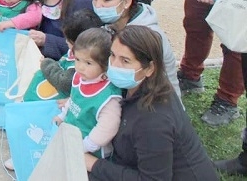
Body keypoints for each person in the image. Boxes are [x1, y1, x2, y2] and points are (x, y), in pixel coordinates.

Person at [87, 25, 218, 180]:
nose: (114, 65)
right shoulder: (138, 86)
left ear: (149, 68)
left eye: (125, 61)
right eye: (112, 55)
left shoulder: (154, 120)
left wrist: (93, 164)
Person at [91, 0, 181, 97]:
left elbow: (162, 84)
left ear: (127, 2)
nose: (98, 5)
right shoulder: (109, 25)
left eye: (106, 0)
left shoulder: (149, 35)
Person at [55, 28, 122, 158]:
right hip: (71, 136)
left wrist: (84, 146)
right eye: (77, 59)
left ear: (105, 65)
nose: (80, 66)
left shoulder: (108, 97)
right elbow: (74, 100)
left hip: (90, 150)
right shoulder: (80, 77)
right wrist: (62, 116)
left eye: (88, 63)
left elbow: (107, 128)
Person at [30, 9, 104, 100]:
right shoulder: (76, 52)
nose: (65, 42)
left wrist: (46, 64)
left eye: (68, 41)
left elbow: (63, 82)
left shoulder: (82, 64)